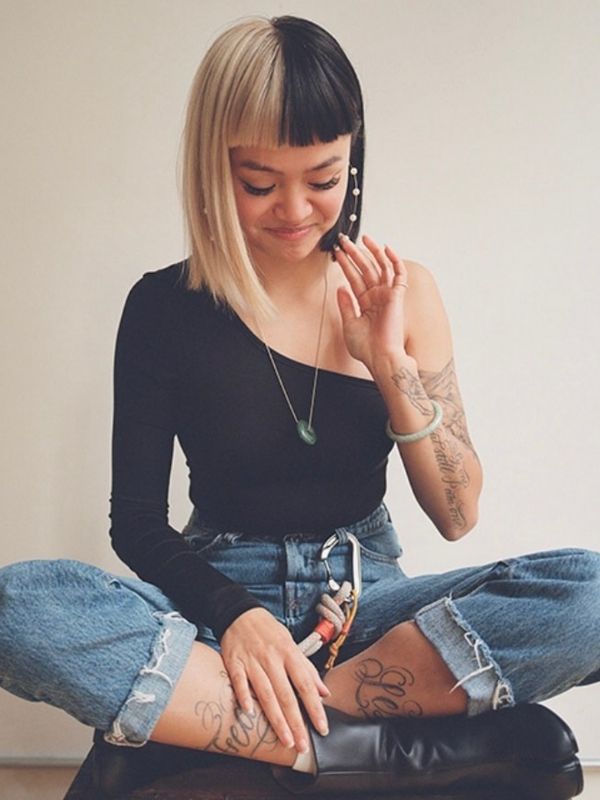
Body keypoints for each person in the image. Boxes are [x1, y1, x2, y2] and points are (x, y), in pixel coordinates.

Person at [0, 14, 597, 799]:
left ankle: (232, 732)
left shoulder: (403, 291)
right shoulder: (162, 306)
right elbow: (136, 522)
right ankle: (356, 749)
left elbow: (457, 512)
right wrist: (239, 618)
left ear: (354, 157)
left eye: (323, 178)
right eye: (259, 183)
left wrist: (386, 360)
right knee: (18, 607)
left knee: (586, 594)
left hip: (366, 606)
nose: (295, 210)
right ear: (214, 167)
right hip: (215, 602)